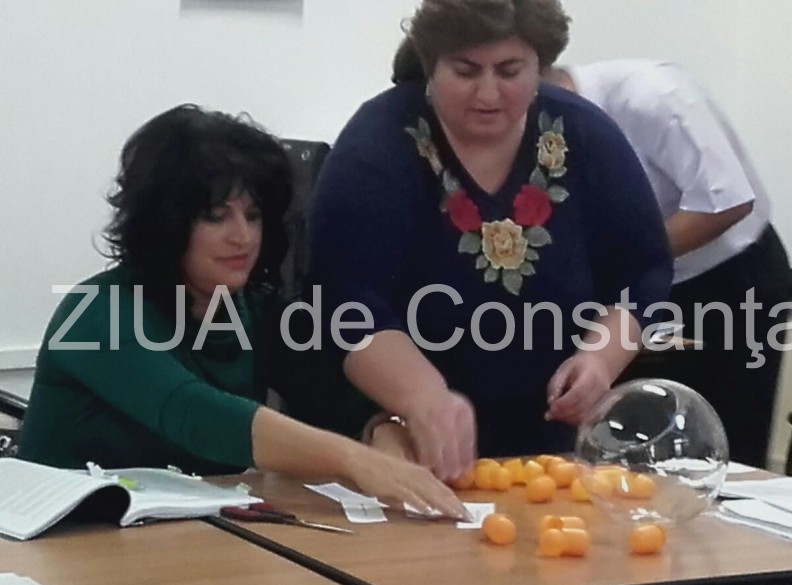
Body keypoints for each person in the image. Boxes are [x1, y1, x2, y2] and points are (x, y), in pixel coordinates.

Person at [17, 104, 466, 519]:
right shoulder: (96, 313)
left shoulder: (253, 308)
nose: (243, 237)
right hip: (62, 542)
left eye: (253, 216)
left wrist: (381, 431)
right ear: (166, 223)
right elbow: (197, 415)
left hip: (184, 539)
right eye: (216, 217)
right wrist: (354, 460)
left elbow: (334, 398)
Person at [308, 0, 673, 484]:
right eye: (465, 71)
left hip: (550, 442)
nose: (487, 93)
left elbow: (643, 270)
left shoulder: (585, 135)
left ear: (540, 66)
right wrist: (421, 397)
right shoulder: (377, 146)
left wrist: (599, 360)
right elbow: (343, 296)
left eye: (509, 71)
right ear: (431, 65)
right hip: (401, 436)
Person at [544, 61, 791, 468]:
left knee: (725, 449)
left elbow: (726, 202)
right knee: (622, 443)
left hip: (729, 280)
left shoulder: (652, 95)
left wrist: (623, 261)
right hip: (635, 287)